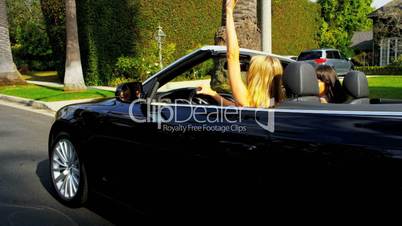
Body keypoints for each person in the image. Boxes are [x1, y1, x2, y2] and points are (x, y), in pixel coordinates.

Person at [197, 0, 284, 108]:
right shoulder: (278, 103)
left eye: (252, 68)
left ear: (258, 77)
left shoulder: (247, 101)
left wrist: (229, 11)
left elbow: (232, 56)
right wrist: (213, 94)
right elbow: (236, 106)